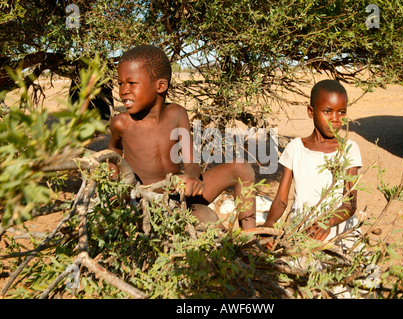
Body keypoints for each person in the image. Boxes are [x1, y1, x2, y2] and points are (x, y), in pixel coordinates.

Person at [107, 44, 256, 230]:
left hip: (179, 193)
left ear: (160, 86)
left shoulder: (177, 114)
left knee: (242, 168)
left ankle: (249, 237)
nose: (123, 90)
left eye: (131, 83)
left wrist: (192, 177)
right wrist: (114, 185)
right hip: (149, 202)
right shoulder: (121, 123)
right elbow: (113, 151)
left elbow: (190, 161)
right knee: (208, 217)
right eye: (120, 83)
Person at [262, 79, 362, 244]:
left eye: (341, 112)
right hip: (302, 228)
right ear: (311, 111)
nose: (335, 119)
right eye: (327, 111)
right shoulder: (296, 148)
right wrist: (268, 227)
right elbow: (281, 200)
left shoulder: (349, 149)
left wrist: (326, 222)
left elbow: (350, 204)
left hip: (337, 229)